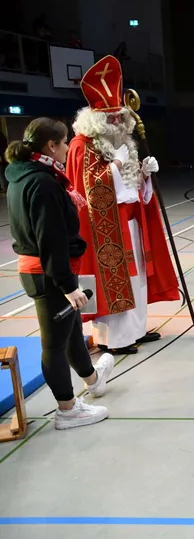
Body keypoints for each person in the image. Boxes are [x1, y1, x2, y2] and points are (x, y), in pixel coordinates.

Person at [5, 117, 115, 429]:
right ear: (51, 146)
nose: (67, 147)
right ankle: (67, 410)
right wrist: (68, 285)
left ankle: (92, 380)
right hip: (49, 273)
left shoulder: (26, 175)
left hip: (45, 271)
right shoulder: (42, 183)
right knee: (53, 345)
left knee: (69, 332)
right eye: (64, 142)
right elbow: (49, 239)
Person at [66, 55, 179, 355]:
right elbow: (89, 190)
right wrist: (115, 164)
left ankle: (136, 331)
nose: (117, 122)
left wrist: (144, 175)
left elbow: (132, 189)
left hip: (131, 221)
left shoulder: (126, 142)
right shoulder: (82, 146)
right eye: (111, 118)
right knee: (114, 283)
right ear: (97, 119)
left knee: (138, 278)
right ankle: (114, 340)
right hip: (104, 228)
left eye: (120, 117)